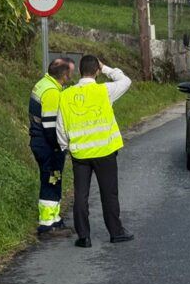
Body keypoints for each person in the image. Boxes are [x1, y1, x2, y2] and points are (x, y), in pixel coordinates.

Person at [56, 55, 133, 248]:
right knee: (109, 193)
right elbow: (125, 81)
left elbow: (61, 127)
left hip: (80, 154)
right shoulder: (104, 90)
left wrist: (66, 147)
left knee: (81, 195)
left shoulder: (66, 95)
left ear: (79, 71)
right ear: (97, 71)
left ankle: (84, 237)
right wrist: (106, 68)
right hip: (105, 151)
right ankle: (115, 232)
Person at [29, 57, 74, 237]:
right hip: (48, 145)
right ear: (64, 75)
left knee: (53, 179)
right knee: (52, 180)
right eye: (70, 73)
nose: (71, 77)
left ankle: (55, 219)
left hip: (40, 142)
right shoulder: (52, 92)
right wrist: (59, 146)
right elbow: (50, 126)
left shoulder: (43, 83)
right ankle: (47, 225)